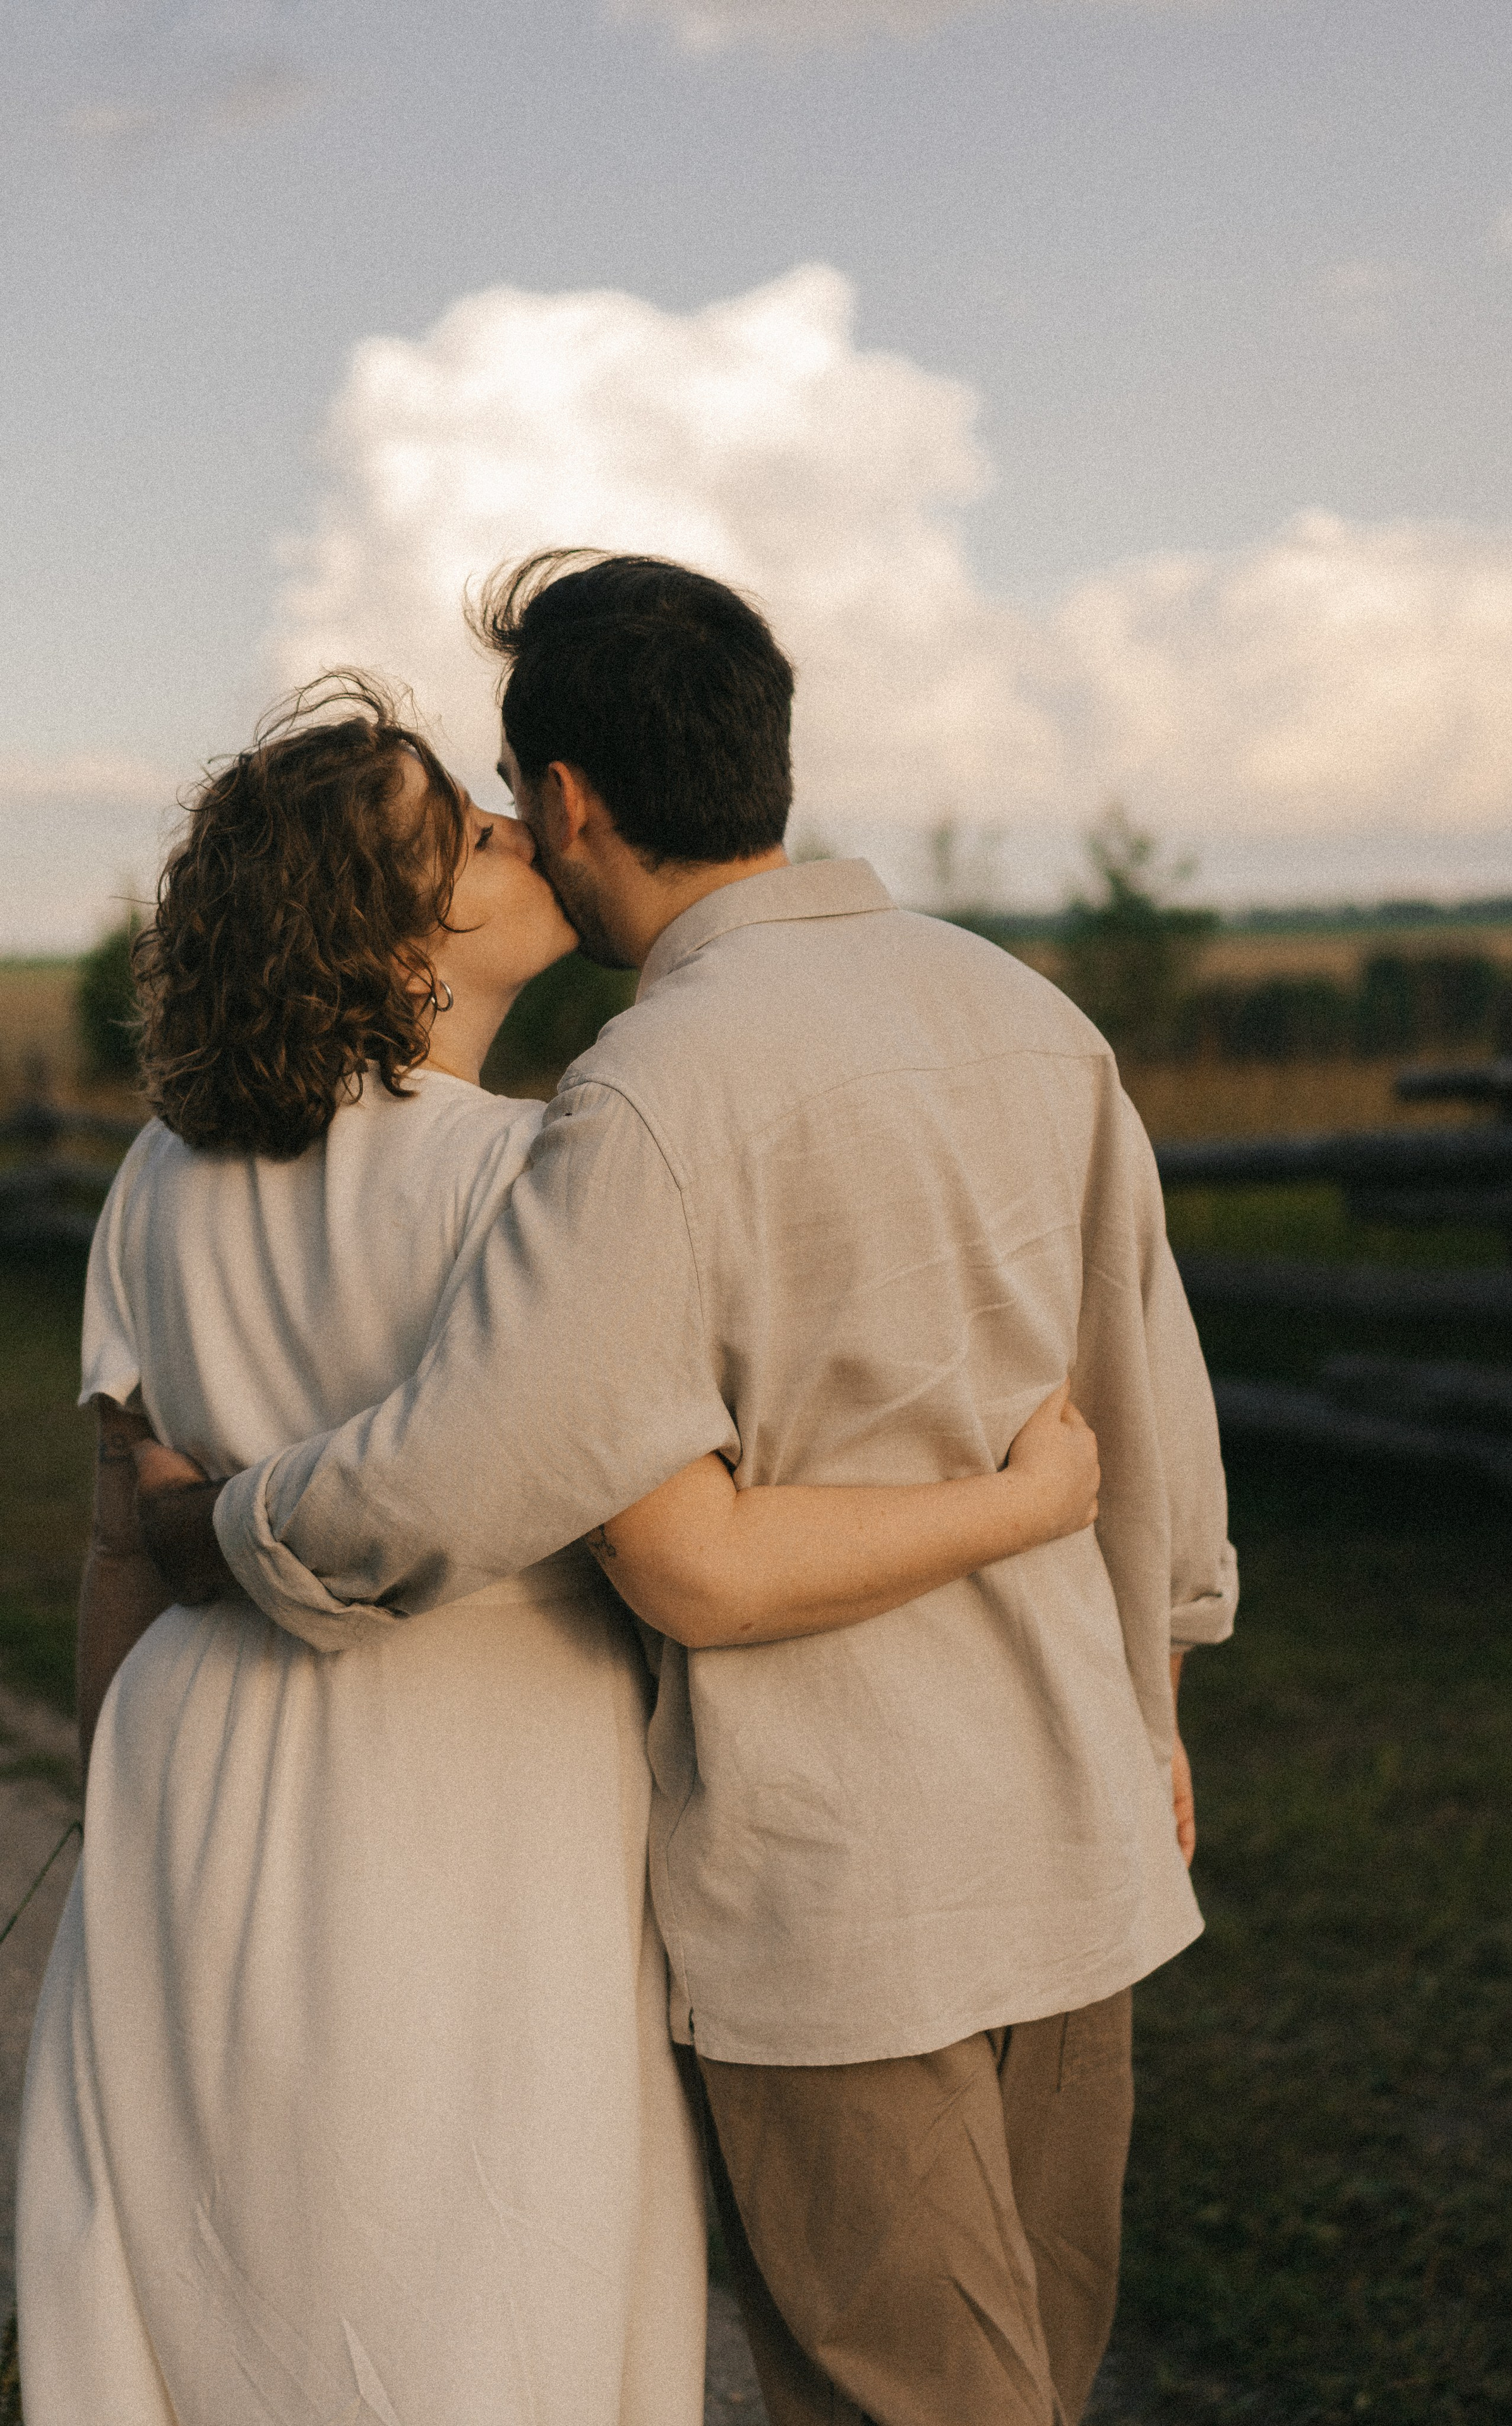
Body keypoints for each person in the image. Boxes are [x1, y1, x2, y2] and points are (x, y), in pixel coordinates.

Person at [139, 554, 1237, 2426]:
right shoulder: (1030, 1015)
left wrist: (223, 1521)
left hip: (842, 1893)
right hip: (1080, 1836)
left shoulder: (651, 1094)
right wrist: (1153, 1713)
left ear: (570, 801)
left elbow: (473, 1478)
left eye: (514, 795)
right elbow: (1157, 1431)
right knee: (1036, 2379)